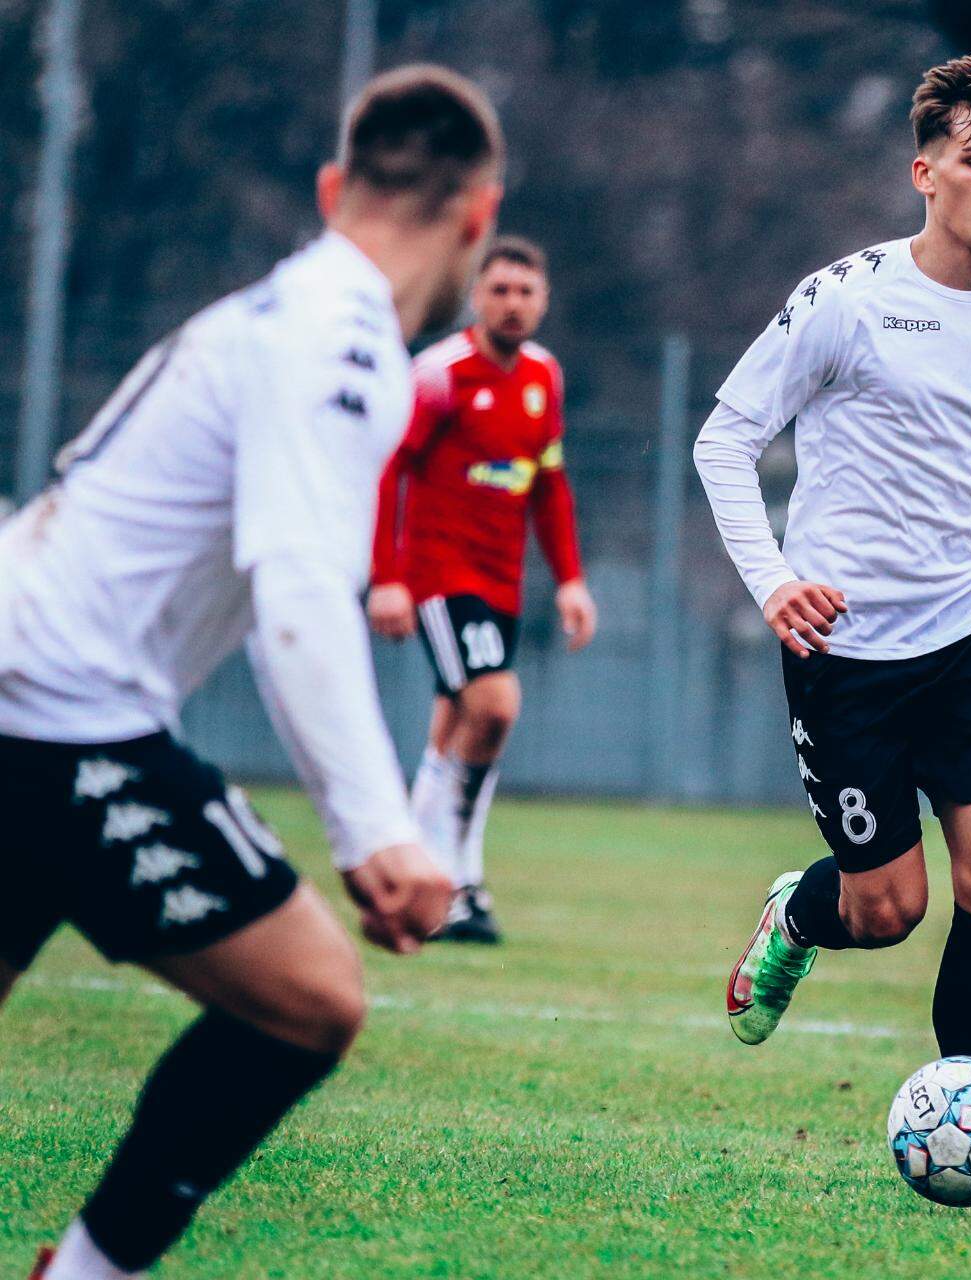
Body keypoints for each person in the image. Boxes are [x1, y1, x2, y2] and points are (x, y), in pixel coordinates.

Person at [4, 65, 502, 1279]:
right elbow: (297, 594)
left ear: (334, 189)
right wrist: (376, 830)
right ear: (479, 215)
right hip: (59, 714)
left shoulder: (280, 311)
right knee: (310, 997)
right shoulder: (346, 341)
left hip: (32, 684)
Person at [693, 52, 971, 1206]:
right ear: (925, 171)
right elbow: (725, 440)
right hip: (843, 652)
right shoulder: (846, 301)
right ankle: (799, 913)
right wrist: (775, 582)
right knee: (887, 909)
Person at [366, 235, 596, 944]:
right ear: (476, 296)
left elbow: (548, 483)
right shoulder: (441, 374)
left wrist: (570, 580)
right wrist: (388, 579)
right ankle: (460, 880)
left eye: (525, 292)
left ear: (544, 300)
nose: (512, 303)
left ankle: (410, 881)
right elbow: (390, 468)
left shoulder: (543, 376)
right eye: (499, 290)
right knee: (495, 706)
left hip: (502, 580)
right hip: (441, 574)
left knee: (455, 726)